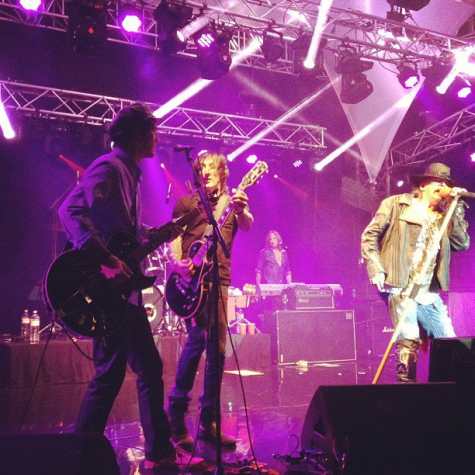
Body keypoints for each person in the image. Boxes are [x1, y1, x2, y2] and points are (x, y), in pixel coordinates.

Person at [58, 103, 203, 470]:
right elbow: (69, 212)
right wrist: (106, 260)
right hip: (108, 289)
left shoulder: (129, 173)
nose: (158, 138)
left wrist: (160, 232)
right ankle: (81, 454)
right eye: (153, 132)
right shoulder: (110, 167)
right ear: (139, 135)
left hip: (125, 292)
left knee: (145, 369)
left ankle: (157, 452)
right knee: (113, 374)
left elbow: (123, 234)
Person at [167, 151, 253, 450]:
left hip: (219, 280)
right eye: (201, 167)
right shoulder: (187, 203)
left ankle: (209, 421)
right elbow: (173, 238)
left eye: (211, 167)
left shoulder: (233, 202)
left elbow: (247, 225)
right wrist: (178, 263)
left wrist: (241, 210)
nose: (205, 171)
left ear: (222, 172)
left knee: (217, 351)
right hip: (190, 283)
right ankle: (177, 415)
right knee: (196, 342)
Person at [361, 162, 470, 383]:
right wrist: (376, 268)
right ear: (422, 185)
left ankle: (447, 390)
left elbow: (462, 243)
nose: (443, 187)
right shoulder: (396, 204)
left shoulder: (445, 215)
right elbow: (369, 236)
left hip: (427, 289)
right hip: (400, 282)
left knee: (447, 339)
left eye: (447, 183)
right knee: (408, 334)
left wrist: (456, 206)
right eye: (438, 182)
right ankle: (407, 388)